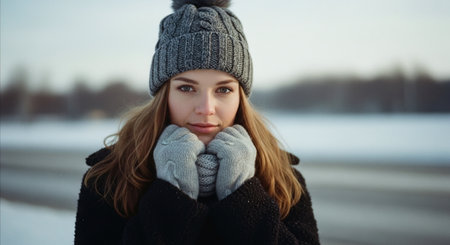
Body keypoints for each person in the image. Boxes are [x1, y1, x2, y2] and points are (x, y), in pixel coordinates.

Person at [74, 0, 320, 244]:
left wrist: (243, 194)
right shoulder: (109, 178)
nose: (205, 109)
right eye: (186, 88)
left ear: (240, 97)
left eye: (223, 90)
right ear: (164, 93)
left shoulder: (281, 178)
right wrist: (173, 194)